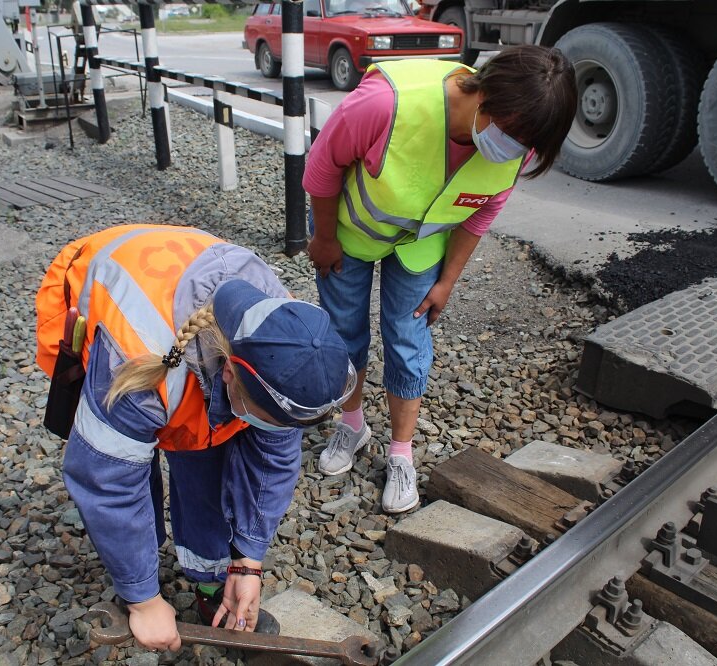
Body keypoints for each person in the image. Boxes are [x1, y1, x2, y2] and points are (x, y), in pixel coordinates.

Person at [35, 224, 355, 653]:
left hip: (183, 298)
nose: (282, 436)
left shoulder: (288, 339)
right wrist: (143, 599)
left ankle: (210, 581)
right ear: (228, 375)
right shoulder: (135, 365)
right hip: (108, 291)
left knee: (205, 455)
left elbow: (273, 458)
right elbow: (107, 482)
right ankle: (137, 572)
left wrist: (249, 560)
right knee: (132, 463)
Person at [303, 46, 577, 513]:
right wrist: (325, 238)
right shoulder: (385, 104)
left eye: (528, 145)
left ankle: (401, 453)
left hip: (420, 245)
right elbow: (323, 167)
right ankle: (352, 423)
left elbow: (480, 214)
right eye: (512, 135)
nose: (516, 150)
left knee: (408, 338)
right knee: (344, 331)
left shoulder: (519, 137)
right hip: (349, 234)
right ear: (484, 96)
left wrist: (448, 279)